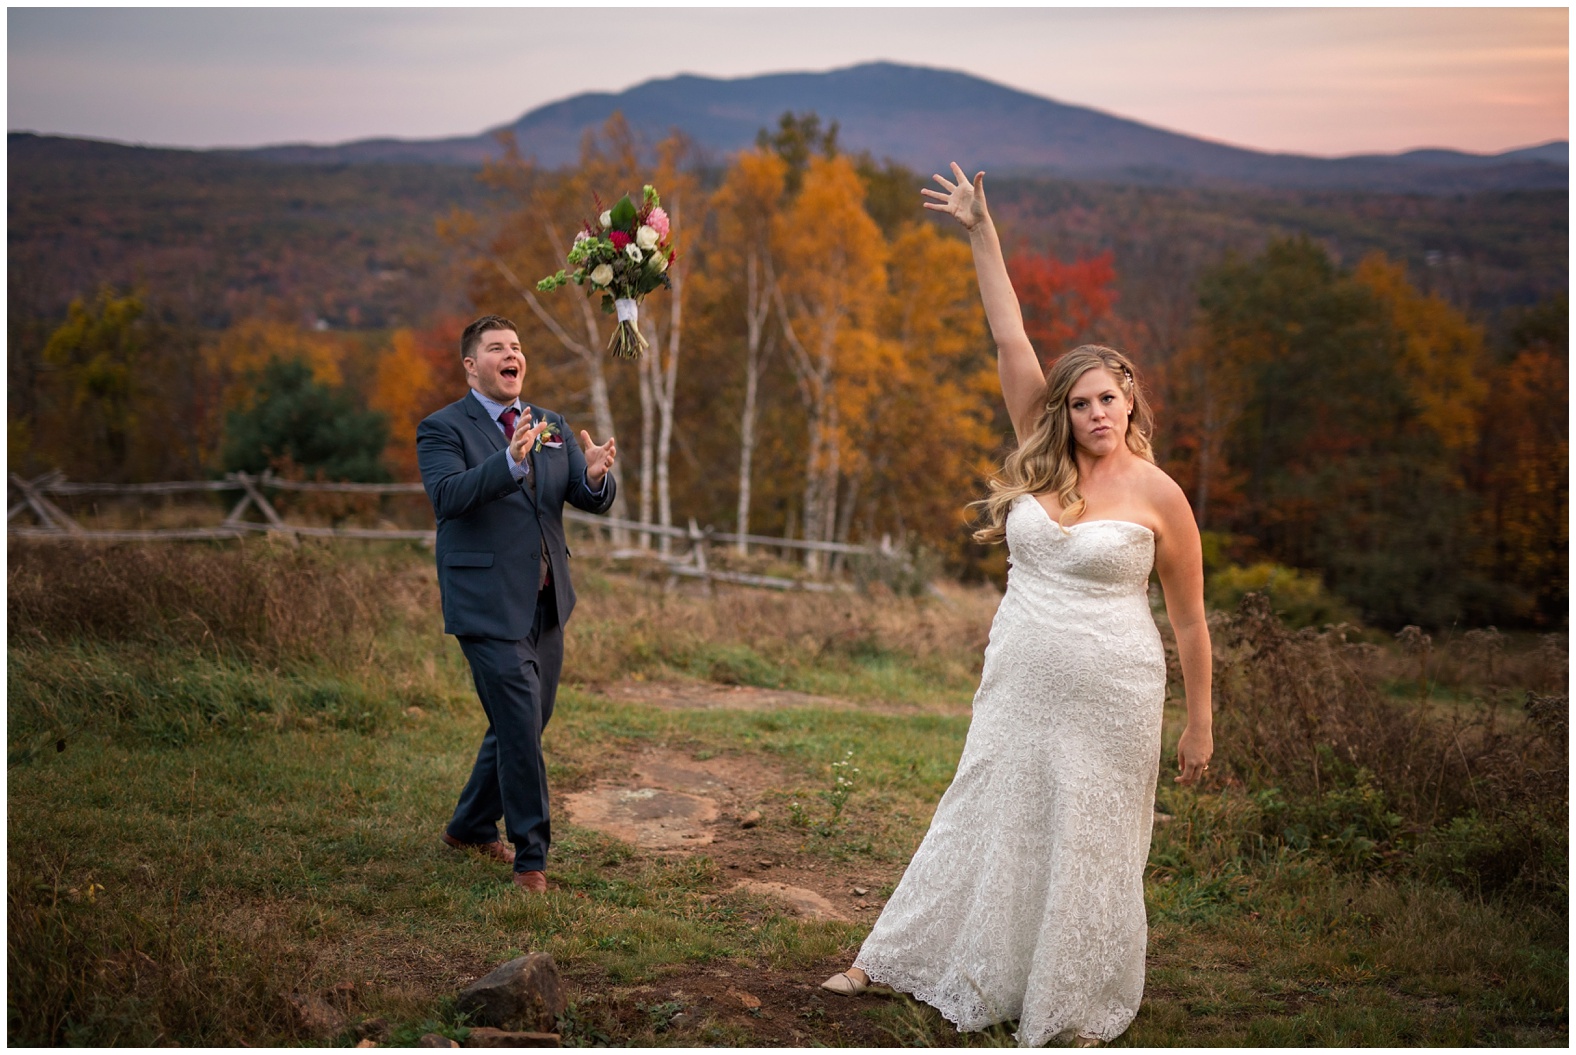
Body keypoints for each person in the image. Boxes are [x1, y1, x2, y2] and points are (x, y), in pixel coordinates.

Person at [819, 164, 1213, 1046]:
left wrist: (1199, 724)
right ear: (1063, 412)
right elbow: (1010, 333)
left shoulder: (1161, 497)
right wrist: (980, 230)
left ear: (1131, 397)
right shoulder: (1048, 457)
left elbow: (1188, 620)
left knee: (1087, 837)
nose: (1094, 412)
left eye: (1108, 397)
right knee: (981, 805)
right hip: (1022, 677)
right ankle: (893, 958)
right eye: (1079, 403)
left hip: (1115, 692)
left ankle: (1062, 998)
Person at [417, 314, 618, 893]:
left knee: (525, 722)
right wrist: (508, 462)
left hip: (546, 600)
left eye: (518, 347)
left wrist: (598, 477)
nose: (513, 355)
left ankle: (470, 825)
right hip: (484, 601)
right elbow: (448, 497)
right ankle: (532, 860)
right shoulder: (442, 428)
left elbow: (581, 495)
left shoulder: (549, 423)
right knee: (520, 728)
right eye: (498, 348)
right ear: (470, 365)